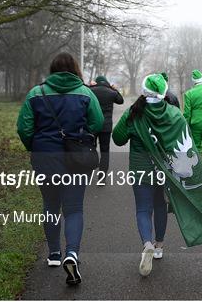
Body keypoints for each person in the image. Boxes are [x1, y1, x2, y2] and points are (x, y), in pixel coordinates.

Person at [16, 52, 104, 285]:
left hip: (44, 157)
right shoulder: (85, 92)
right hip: (76, 158)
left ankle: (54, 253)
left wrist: (34, 146)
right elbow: (97, 122)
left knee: (50, 204)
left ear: (53, 69)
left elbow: (23, 128)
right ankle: (72, 254)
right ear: (75, 69)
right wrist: (84, 136)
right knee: (74, 209)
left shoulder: (36, 93)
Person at [112, 74, 170, 277]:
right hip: (163, 170)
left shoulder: (134, 113)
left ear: (144, 90)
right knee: (161, 205)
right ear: (164, 92)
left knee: (143, 210)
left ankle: (147, 243)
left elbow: (117, 138)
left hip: (140, 171)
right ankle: (159, 246)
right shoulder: (171, 113)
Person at [89, 75, 124, 176]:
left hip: (93, 125)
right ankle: (102, 175)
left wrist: (90, 86)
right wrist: (114, 89)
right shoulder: (111, 92)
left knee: (91, 147)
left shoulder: (91, 91)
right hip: (106, 126)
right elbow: (121, 100)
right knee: (105, 150)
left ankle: (90, 170)